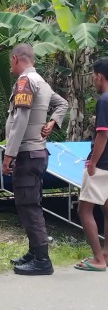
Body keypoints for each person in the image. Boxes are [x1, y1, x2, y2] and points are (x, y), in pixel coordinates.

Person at [2, 43, 68, 276]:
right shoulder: (42, 82)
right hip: (38, 154)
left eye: (10, 62)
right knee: (31, 203)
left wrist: (8, 154)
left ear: (15, 58)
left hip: (27, 153)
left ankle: (42, 260)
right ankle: (33, 252)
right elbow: (62, 104)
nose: (10, 66)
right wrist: (53, 121)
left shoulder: (25, 81)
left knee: (29, 206)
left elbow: (20, 120)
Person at [74, 58, 108, 272]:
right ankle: (106, 253)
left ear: (98, 76)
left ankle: (97, 259)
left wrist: (93, 163)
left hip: (102, 163)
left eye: (93, 76)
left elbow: (102, 135)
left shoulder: (104, 100)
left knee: (84, 210)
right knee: (107, 210)